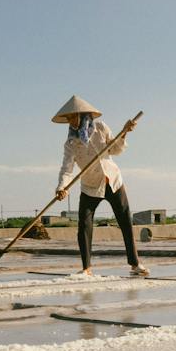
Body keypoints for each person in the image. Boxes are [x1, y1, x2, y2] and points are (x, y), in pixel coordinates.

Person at [52, 95, 146, 278]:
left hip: (112, 180)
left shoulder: (101, 128)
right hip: (90, 185)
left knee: (125, 221)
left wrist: (124, 133)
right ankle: (86, 268)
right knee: (84, 225)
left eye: (72, 117)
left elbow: (116, 150)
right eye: (68, 119)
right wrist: (61, 188)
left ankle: (135, 264)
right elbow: (67, 168)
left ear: (81, 115)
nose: (70, 121)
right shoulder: (71, 143)